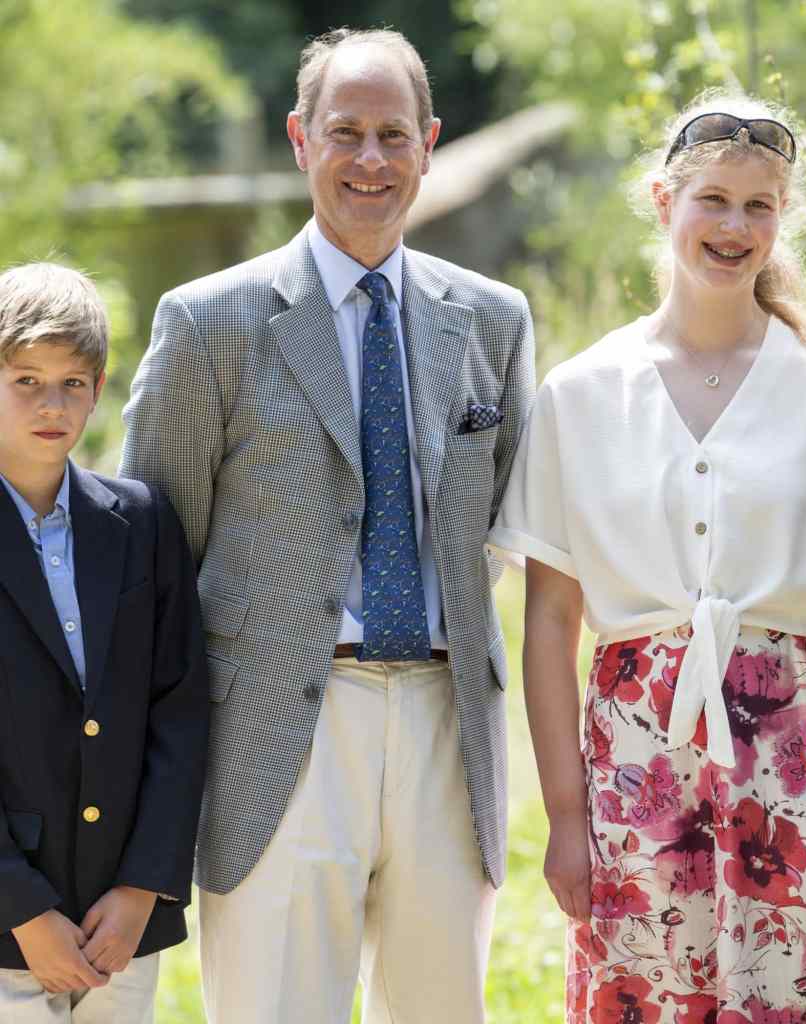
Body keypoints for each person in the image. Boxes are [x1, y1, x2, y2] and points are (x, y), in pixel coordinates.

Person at [120, 27, 535, 1024]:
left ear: (430, 143)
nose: (370, 159)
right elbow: (152, 563)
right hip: (275, 735)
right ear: (301, 139)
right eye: (345, 132)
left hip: (447, 726)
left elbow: (501, 522)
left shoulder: (494, 319)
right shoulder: (207, 322)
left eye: (393, 135)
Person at [490, 90, 806, 1022]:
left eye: (759, 206)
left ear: (782, 219)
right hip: (636, 768)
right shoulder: (581, 392)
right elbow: (550, 622)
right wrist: (565, 819)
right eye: (713, 200)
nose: (734, 227)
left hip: (803, 764)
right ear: (663, 200)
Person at [0, 263, 209, 1023]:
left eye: (73, 383)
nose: (52, 404)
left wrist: (141, 886)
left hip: (120, 921)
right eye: (26, 380)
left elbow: (180, 710)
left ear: (98, 387)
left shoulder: (142, 521)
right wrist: (22, 909)